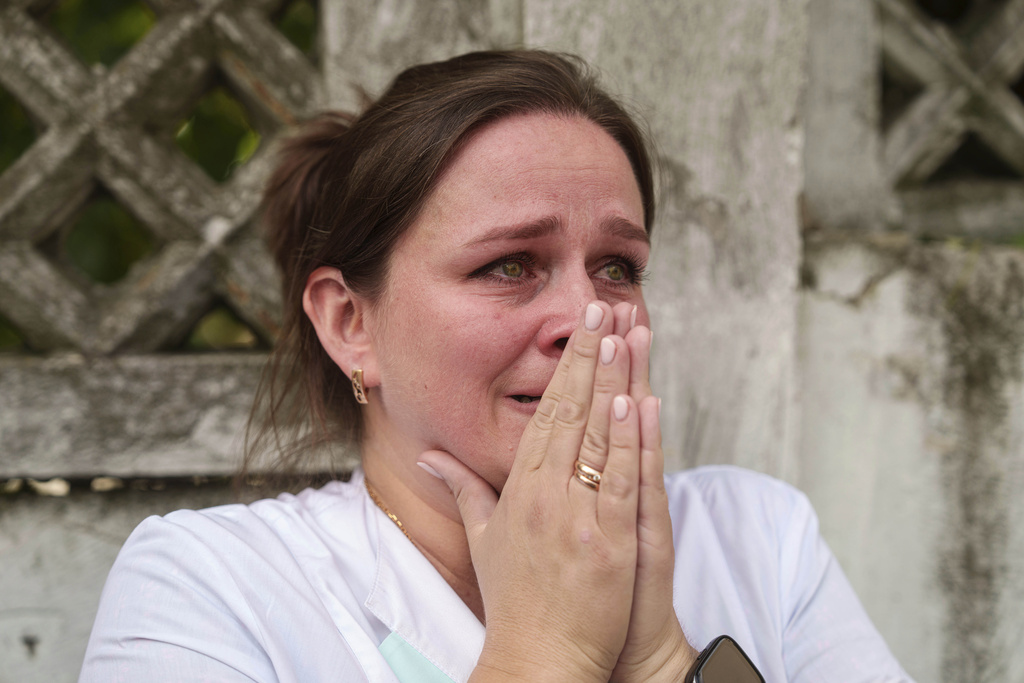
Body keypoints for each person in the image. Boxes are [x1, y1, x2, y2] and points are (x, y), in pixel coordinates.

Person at [80, 50, 913, 682]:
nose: (586, 318)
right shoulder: (211, 583)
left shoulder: (757, 537)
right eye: (510, 264)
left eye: (618, 266)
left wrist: (661, 656)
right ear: (349, 322)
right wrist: (546, 645)